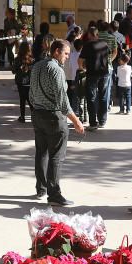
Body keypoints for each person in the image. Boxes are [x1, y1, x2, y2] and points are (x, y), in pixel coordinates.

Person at [30, 39, 85, 206]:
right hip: (53, 117)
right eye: (66, 53)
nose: (67, 57)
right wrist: (76, 121)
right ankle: (53, 194)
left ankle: (41, 188)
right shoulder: (56, 70)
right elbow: (63, 101)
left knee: (41, 152)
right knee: (56, 156)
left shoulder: (38, 66)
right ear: (56, 52)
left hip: (37, 114)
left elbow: (31, 92)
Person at [80, 27, 110, 130]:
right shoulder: (104, 44)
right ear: (97, 34)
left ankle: (93, 123)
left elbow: (80, 60)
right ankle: (102, 121)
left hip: (92, 74)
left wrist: (82, 68)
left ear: (89, 35)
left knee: (91, 98)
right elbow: (108, 56)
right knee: (103, 96)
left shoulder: (87, 45)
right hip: (104, 73)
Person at [13, 42, 34, 123]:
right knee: (30, 99)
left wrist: (19, 68)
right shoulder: (32, 59)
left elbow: (13, 71)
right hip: (30, 82)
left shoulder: (17, 59)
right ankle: (33, 116)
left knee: (22, 100)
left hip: (20, 82)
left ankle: (22, 116)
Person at [66, 37, 82, 116]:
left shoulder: (71, 55)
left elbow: (70, 66)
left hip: (71, 77)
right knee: (80, 95)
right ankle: (79, 110)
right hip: (80, 77)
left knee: (72, 95)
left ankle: (73, 110)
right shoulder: (82, 55)